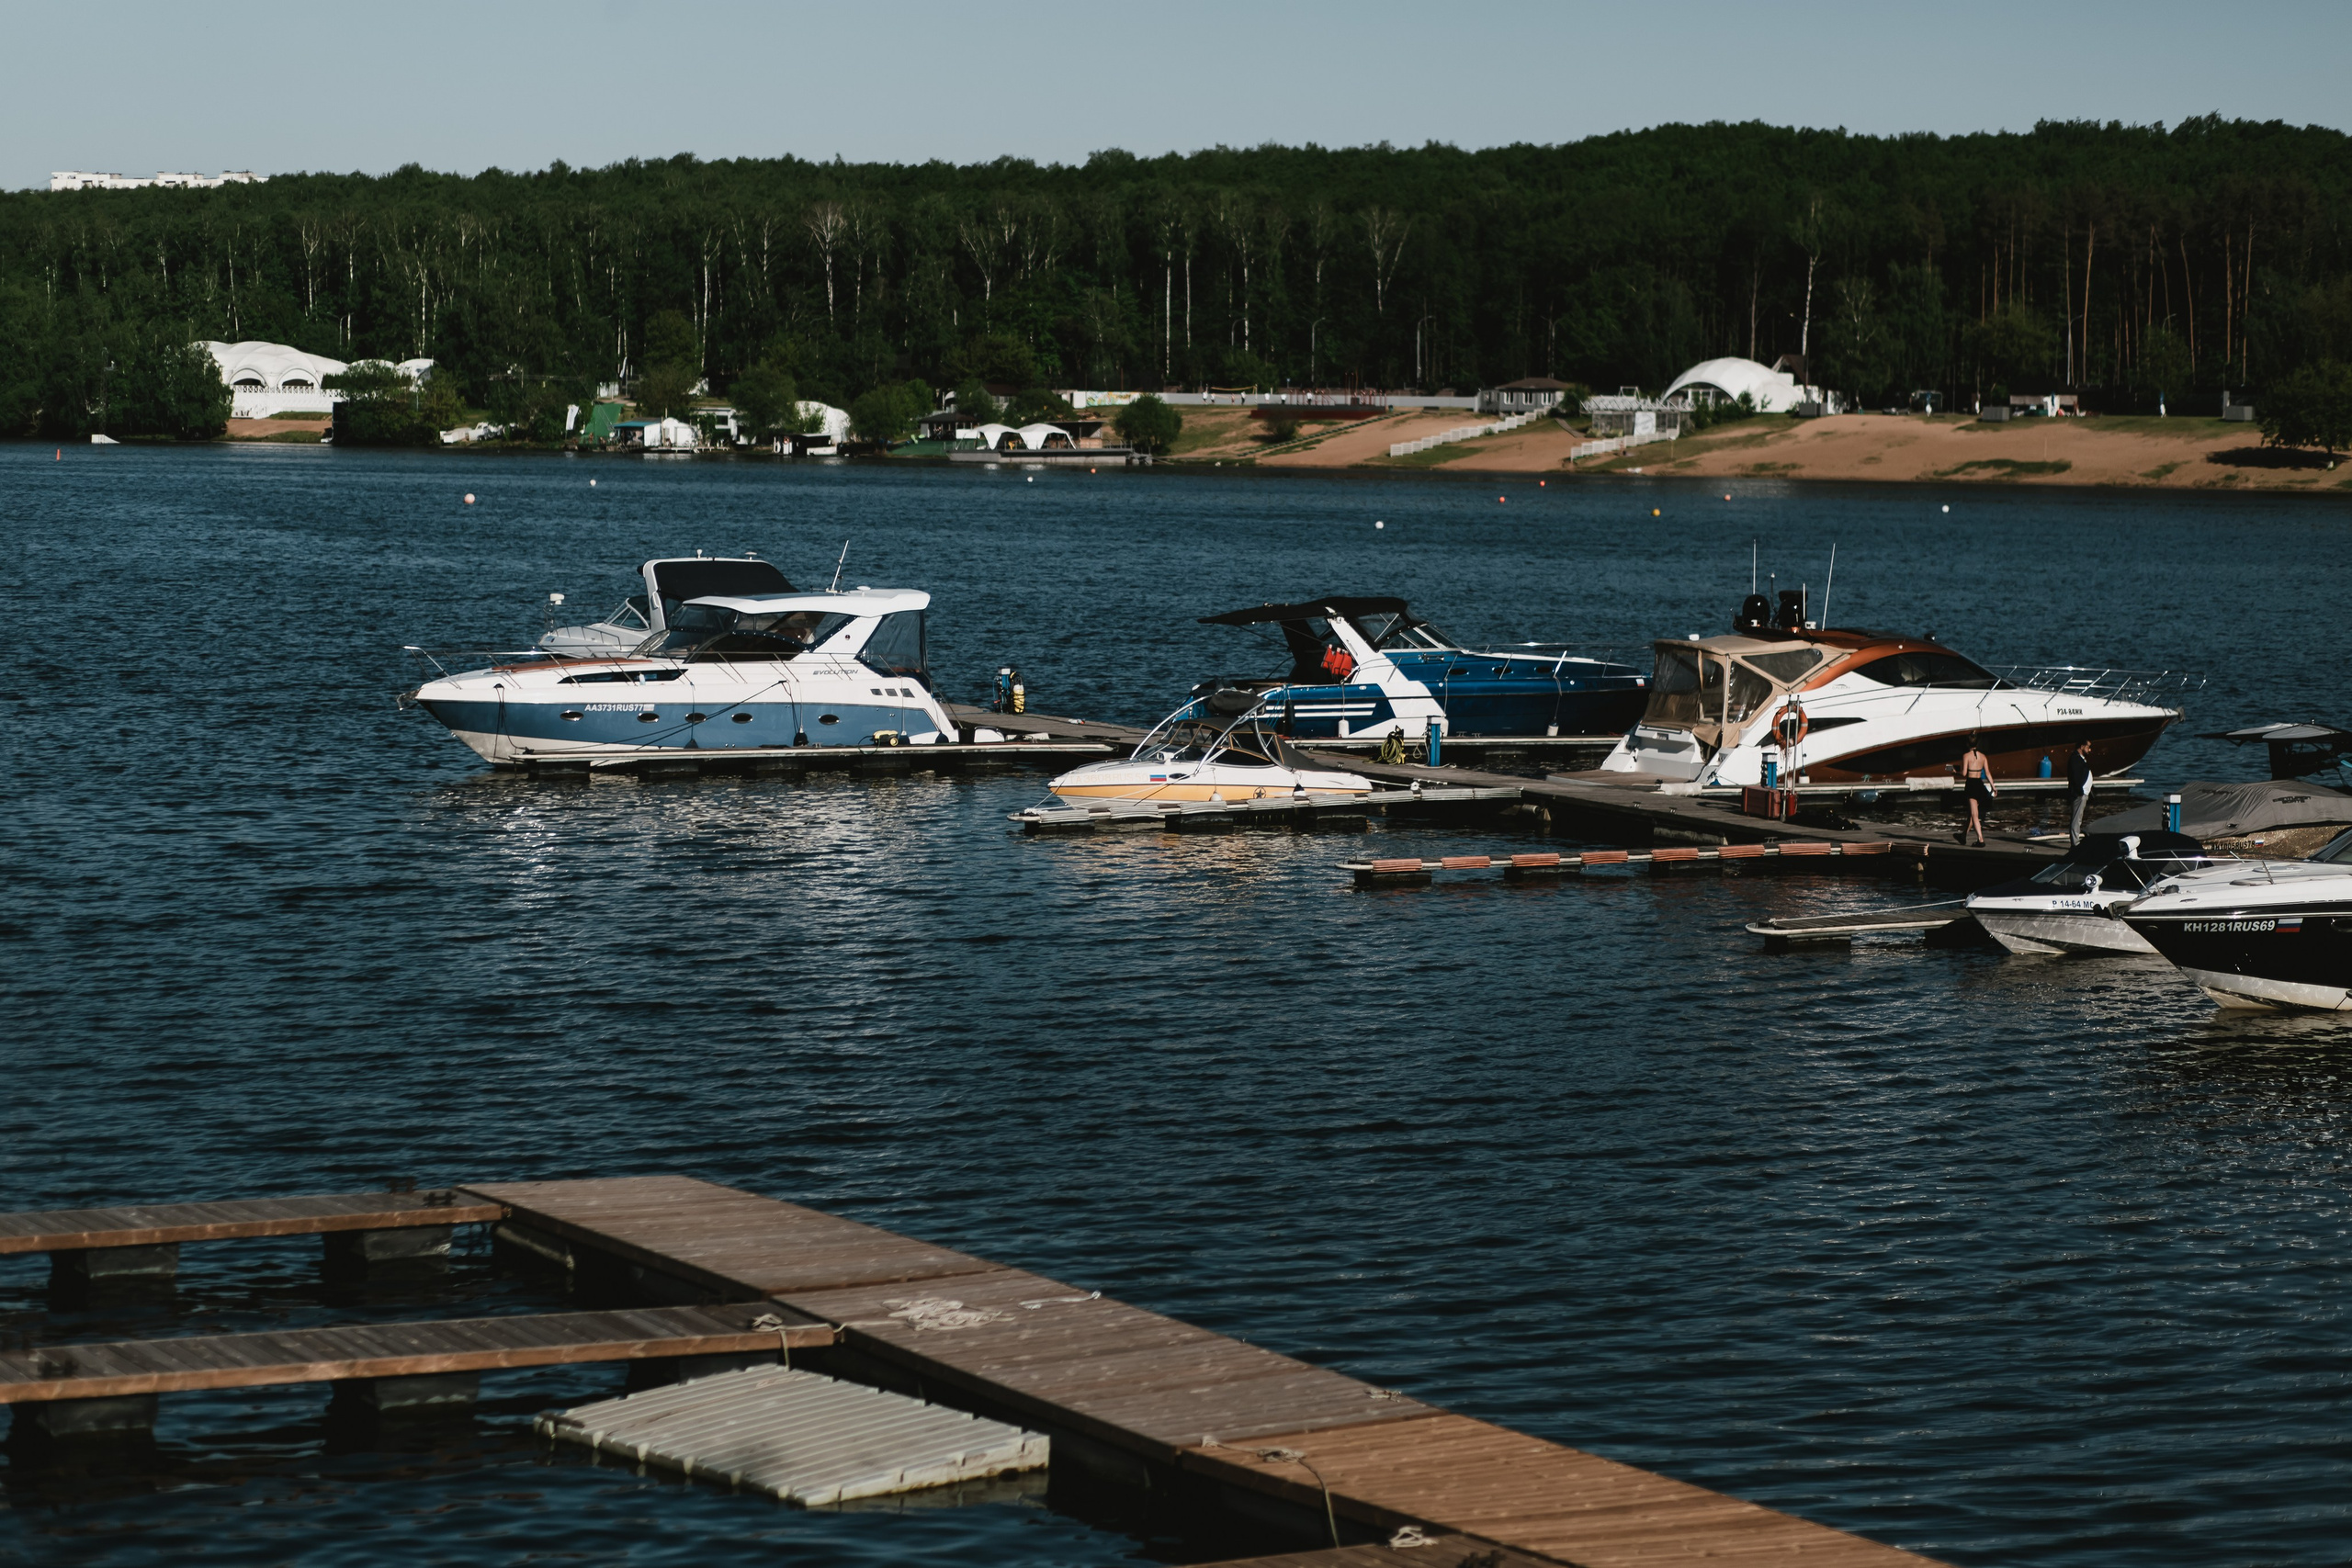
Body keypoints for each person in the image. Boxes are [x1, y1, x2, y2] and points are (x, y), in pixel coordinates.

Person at [1958, 737, 1996, 845]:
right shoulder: (1983, 757)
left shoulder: (1966, 756)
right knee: (1971, 813)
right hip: (1979, 784)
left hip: (1971, 785)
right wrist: (1993, 786)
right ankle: (1963, 836)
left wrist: (1956, 772)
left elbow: (1964, 773)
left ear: (1967, 744)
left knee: (1974, 814)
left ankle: (1980, 840)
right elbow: (1988, 772)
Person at [2066, 737, 2095, 846]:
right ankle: (2075, 842)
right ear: (2082, 747)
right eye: (2088, 747)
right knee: (2076, 819)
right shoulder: (2075, 759)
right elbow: (2075, 777)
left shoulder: (2080, 758)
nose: (2089, 750)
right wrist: (2080, 791)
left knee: (2079, 818)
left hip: (2083, 793)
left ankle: (2076, 840)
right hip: (2079, 794)